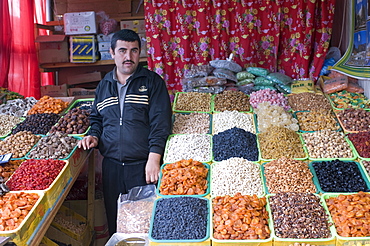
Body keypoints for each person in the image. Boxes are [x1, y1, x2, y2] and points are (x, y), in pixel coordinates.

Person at [78, 29, 172, 236]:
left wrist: (154, 158)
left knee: (143, 225)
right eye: (122, 50)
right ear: (112, 52)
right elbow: (97, 119)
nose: (128, 57)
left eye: (133, 51)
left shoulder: (153, 83)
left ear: (140, 53)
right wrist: (94, 136)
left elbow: (161, 123)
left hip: (142, 167)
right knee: (116, 224)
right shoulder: (104, 86)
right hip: (111, 167)